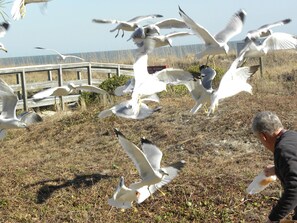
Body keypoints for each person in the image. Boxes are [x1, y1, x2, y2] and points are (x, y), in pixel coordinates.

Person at [251, 111, 297, 223]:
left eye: (259, 139)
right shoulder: (292, 136)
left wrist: (273, 219)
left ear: (263, 136)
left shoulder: (283, 150)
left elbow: (295, 189)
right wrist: (278, 169)